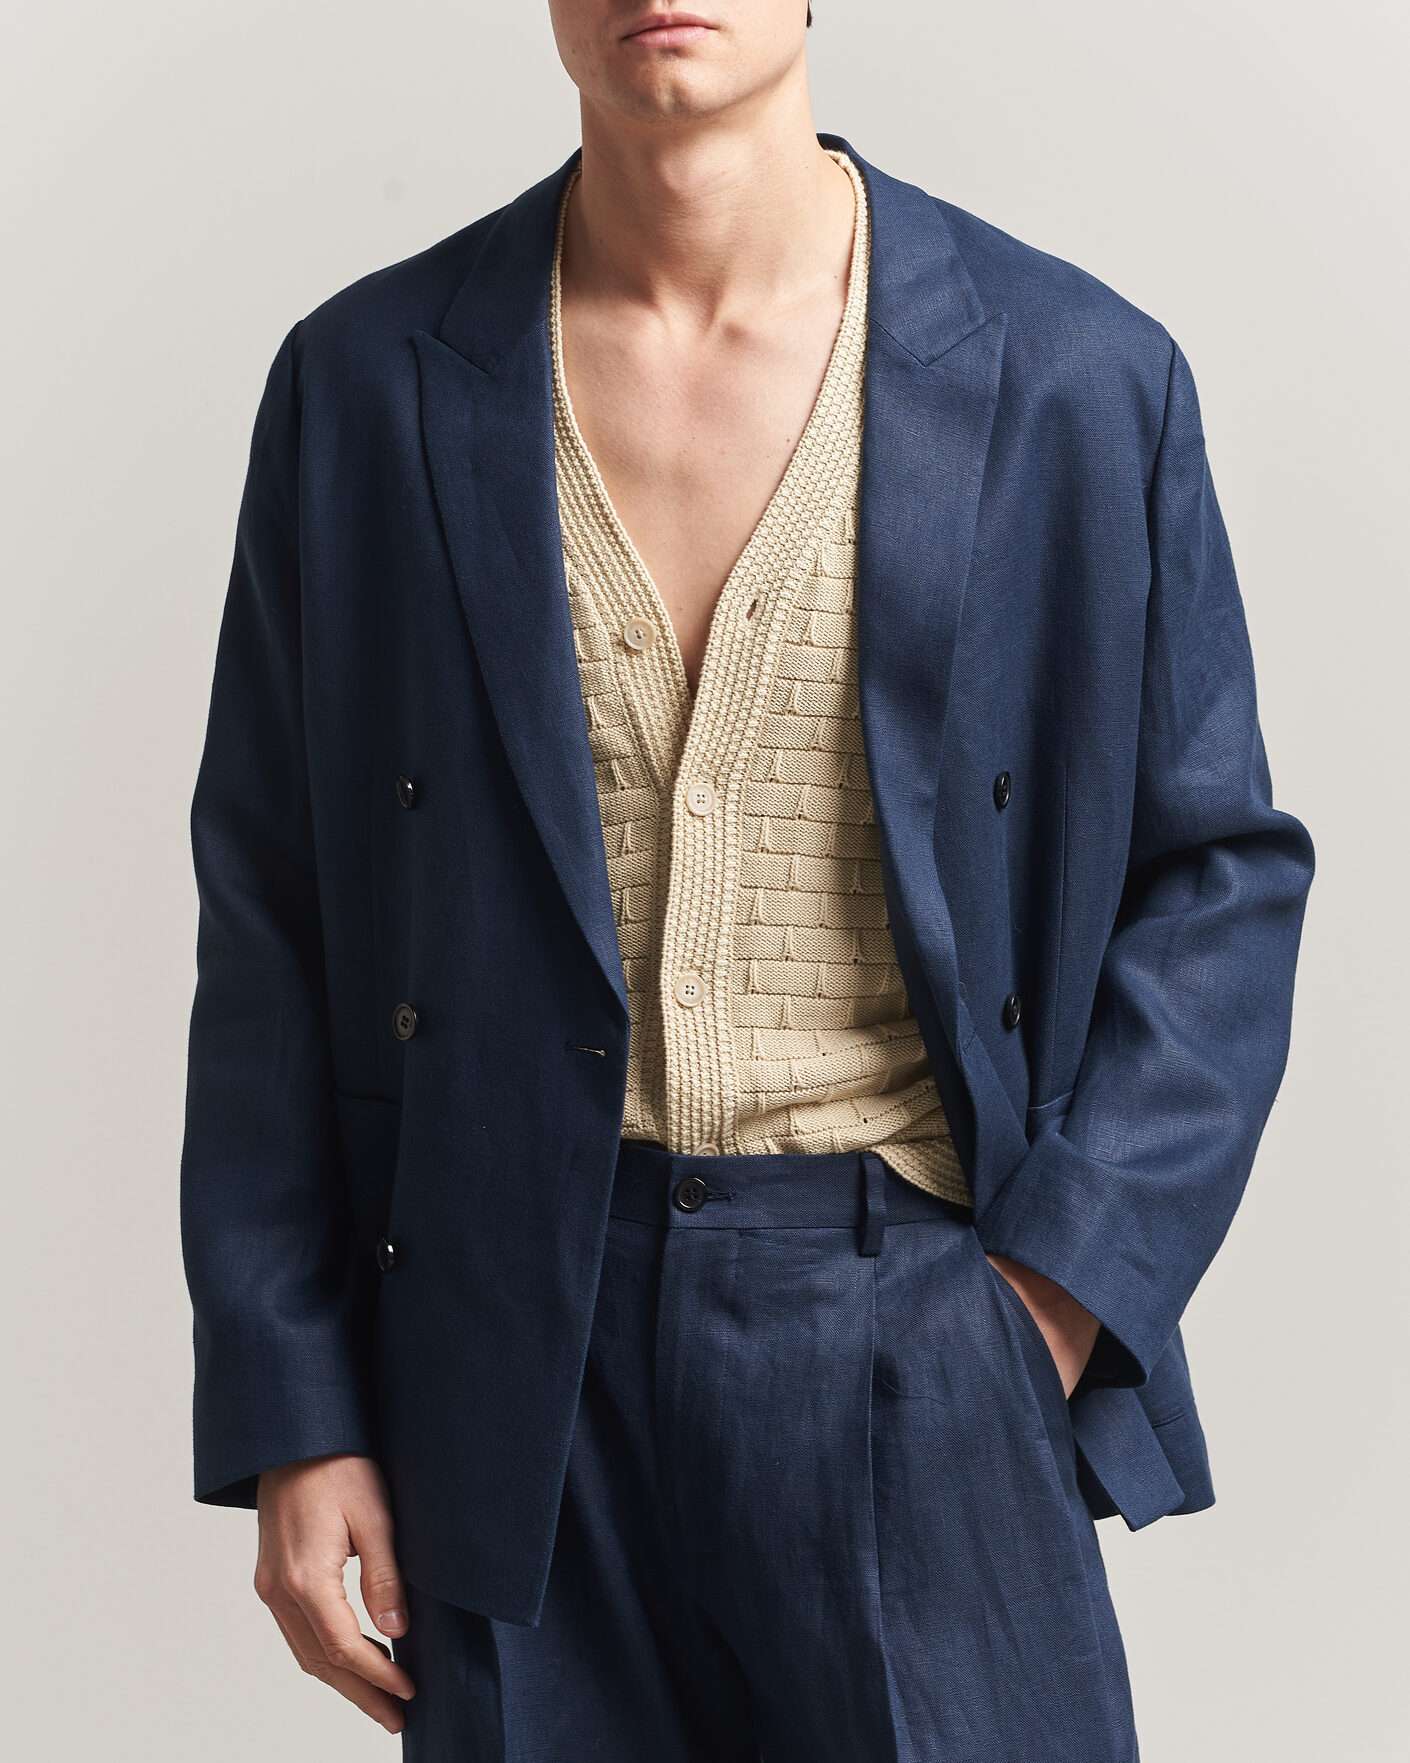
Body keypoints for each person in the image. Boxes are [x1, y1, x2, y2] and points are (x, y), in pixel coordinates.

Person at [179, 3, 1314, 1757]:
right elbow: (273, 910)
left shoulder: (1074, 375)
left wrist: (1052, 1297)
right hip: (508, 1349)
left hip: (915, 1317)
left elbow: (1217, 876)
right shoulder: (366, 383)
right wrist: (297, 1406)